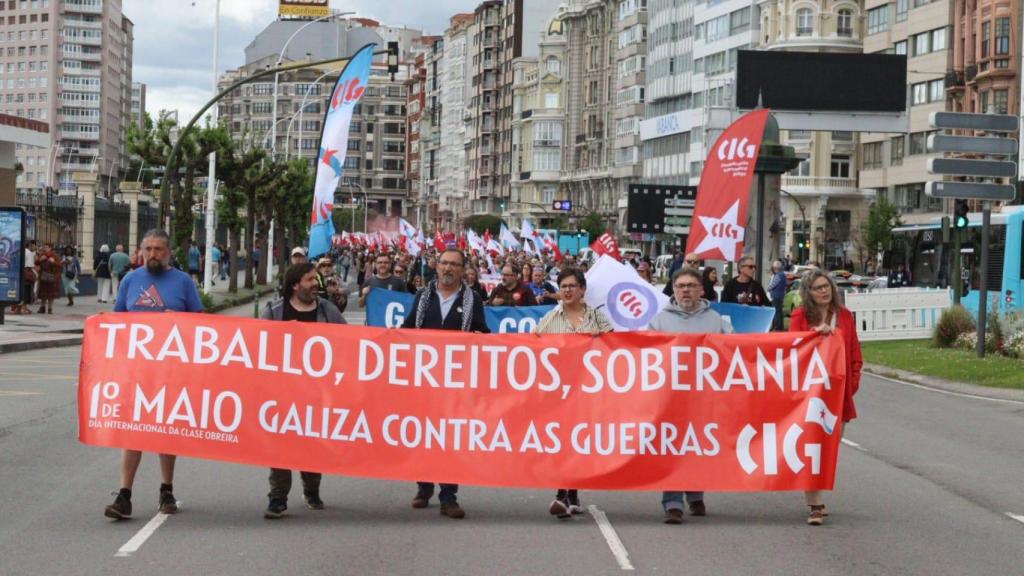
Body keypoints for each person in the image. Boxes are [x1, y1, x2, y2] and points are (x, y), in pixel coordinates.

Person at [104, 229, 204, 520]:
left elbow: (198, 325)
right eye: (147, 249)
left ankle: (166, 489)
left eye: (158, 249)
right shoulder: (130, 281)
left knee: (165, 432)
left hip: (171, 372)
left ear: (169, 252)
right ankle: (124, 495)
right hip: (137, 371)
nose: (152, 254)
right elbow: (117, 324)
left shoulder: (183, 282)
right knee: (133, 431)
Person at [401, 248, 489, 519]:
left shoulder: (472, 299)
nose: (448, 269)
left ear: (463, 270)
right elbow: (407, 330)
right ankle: (424, 486)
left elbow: (483, 333)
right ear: (436, 267)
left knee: (450, 438)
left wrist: (478, 337)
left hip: (455, 383)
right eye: (444, 263)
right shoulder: (423, 297)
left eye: (455, 265)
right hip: (424, 381)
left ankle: (448, 496)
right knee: (423, 435)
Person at [260, 262, 346, 519]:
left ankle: (311, 489)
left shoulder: (327, 310)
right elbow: (258, 342)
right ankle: (277, 497)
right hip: (282, 391)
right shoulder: (275, 310)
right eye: (310, 280)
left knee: (311, 444)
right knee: (280, 445)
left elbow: (350, 342)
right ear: (295, 284)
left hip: (315, 391)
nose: (315, 285)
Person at [649, 268, 733, 524]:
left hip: (704, 396)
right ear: (673, 290)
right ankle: (672, 502)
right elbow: (647, 357)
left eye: (690, 285)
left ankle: (696, 494)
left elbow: (735, 352)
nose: (685, 290)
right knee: (672, 447)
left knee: (699, 445)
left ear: (701, 290)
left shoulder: (717, 321)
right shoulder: (659, 321)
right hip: (671, 397)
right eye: (680, 285)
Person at [535, 267, 612, 519]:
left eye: (571, 286)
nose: (567, 290)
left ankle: (569, 495)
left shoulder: (597, 318)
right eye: (563, 286)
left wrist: (603, 340)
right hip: (559, 393)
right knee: (563, 443)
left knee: (579, 443)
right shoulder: (550, 319)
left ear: (582, 290)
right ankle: (563, 494)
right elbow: (531, 348)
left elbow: (618, 349)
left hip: (589, 392)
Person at [789, 269, 861, 526]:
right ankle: (815, 504)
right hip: (810, 393)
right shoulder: (800, 316)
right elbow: (792, 350)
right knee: (813, 447)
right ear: (808, 292)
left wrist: (850, 385)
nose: (824, 291)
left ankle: (817, 496)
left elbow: (854, 353)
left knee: (829, 447)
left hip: (838, 394)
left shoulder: (844, 316)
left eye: (826, 286)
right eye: (818, 287)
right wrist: (812, 336)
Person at [35, 244, 61, 314]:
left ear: (50, 248)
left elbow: (59, 265)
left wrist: (53, 262)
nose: (45, 248)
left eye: (46, 247)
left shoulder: (55, 256)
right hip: (43, 276)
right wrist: (40, 260)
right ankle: (42, 307)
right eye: (44, 247)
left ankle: (50, 308)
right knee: (43, 293)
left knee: (51, 294)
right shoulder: (42, 255)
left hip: (52, 277)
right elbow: (36, 263)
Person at [766, 260, 788, 331]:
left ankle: (777, 327)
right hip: (780, 296)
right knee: (780, 313)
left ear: (775, 268)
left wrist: (768, 288)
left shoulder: (778, 275)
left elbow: (772, 285)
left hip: (776, 296)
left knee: (776, 313)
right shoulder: (783, 275)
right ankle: (780, 327)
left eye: (774, 268)